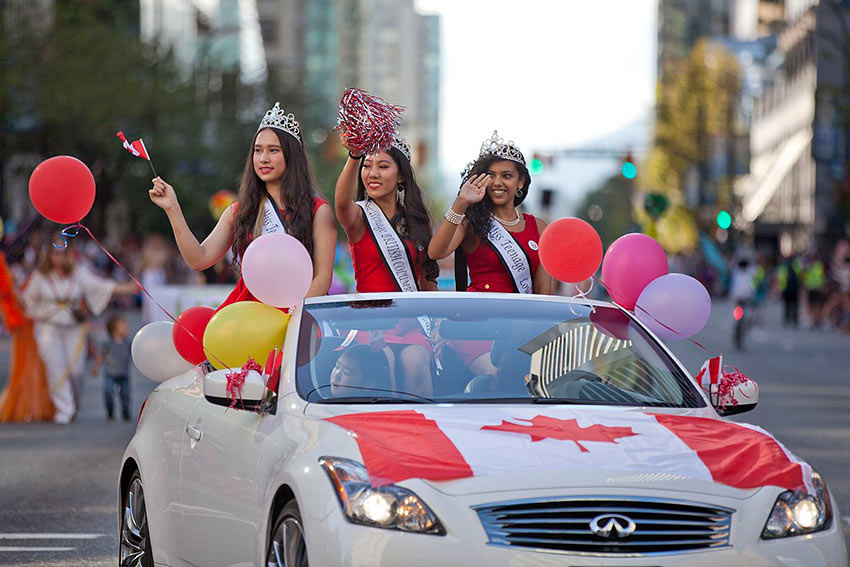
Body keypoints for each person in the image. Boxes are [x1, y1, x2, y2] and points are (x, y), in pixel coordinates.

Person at [149, 101, 337, 308]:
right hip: (248, 316)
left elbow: (322, 278)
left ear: (291, 156)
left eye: (273, 150)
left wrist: (293, 319)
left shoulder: (318, 211)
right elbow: (199, 259)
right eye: (258, 150)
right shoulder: (240, 211)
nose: (263, 158)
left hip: (298, 312)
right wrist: (172, 208)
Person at [334, 131, 438, 396]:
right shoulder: (359, 216)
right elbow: (341, 205)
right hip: (371, 320)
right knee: (385, 362)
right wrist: (354, 156)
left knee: (415, 361)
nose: (372, 173)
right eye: (367, 166)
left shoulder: (417, 221)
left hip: (409, 323)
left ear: (401, 175)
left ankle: (423, 428)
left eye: (383, 166)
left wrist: (437, 326)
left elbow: (427, 280)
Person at [22, 244, 138, 424]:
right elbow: (27, 299)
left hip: (74, 328)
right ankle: (65, 410)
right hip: (48, 328)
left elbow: (101, 286)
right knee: (56, 367)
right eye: (55, 253)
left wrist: (129, 289)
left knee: (76, 371)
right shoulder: (40, 276)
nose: (59, 257)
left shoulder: (78, 274)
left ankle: (73, 404)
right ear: (49, 255)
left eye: (63, 253)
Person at [428, 131, 552, 295]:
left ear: (520, 182)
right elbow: (435, 252)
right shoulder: (471, 223)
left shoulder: (538, 226)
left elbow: (543, 290)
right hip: (481, 315)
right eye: (490, 176)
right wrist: (460, 203)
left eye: (506, 176)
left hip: (521, 318)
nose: (497, 182)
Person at [0, 252, 55, 423]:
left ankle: (33, 405)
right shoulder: (12, 274)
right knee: (27, 365)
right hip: (24, 324)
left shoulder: (21, 274)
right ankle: (29, 406)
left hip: (31, 323)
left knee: (32, 364)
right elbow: (18, 300)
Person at [92, 313, 132, 421]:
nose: (126, 327)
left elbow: (134, 354)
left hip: (124, 373)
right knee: (108, 392)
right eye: (123, 325)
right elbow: (100, 355)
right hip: (110, 373)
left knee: (125, 394)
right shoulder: (108, 343)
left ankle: (126, 412)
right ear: (114, 329)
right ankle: (110, 411)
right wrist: (96, 367)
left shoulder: (128, 342)